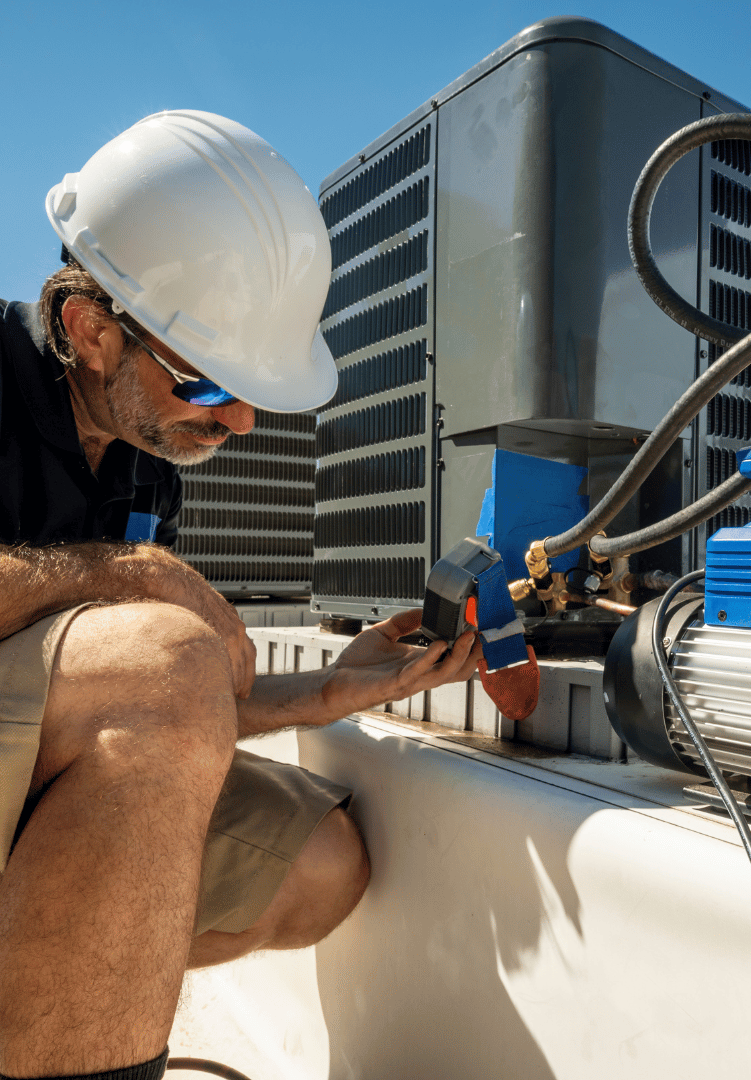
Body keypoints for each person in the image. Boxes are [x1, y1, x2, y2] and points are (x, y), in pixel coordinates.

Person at [0, 111, 481, 1080]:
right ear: (88, 330)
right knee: (166, 651)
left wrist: (332, 696)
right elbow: (149, 661)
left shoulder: (146, 472)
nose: (245, 420)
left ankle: (49, 1010)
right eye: (211, 385)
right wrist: (132, 574)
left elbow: (143, 704)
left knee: (324, 863)